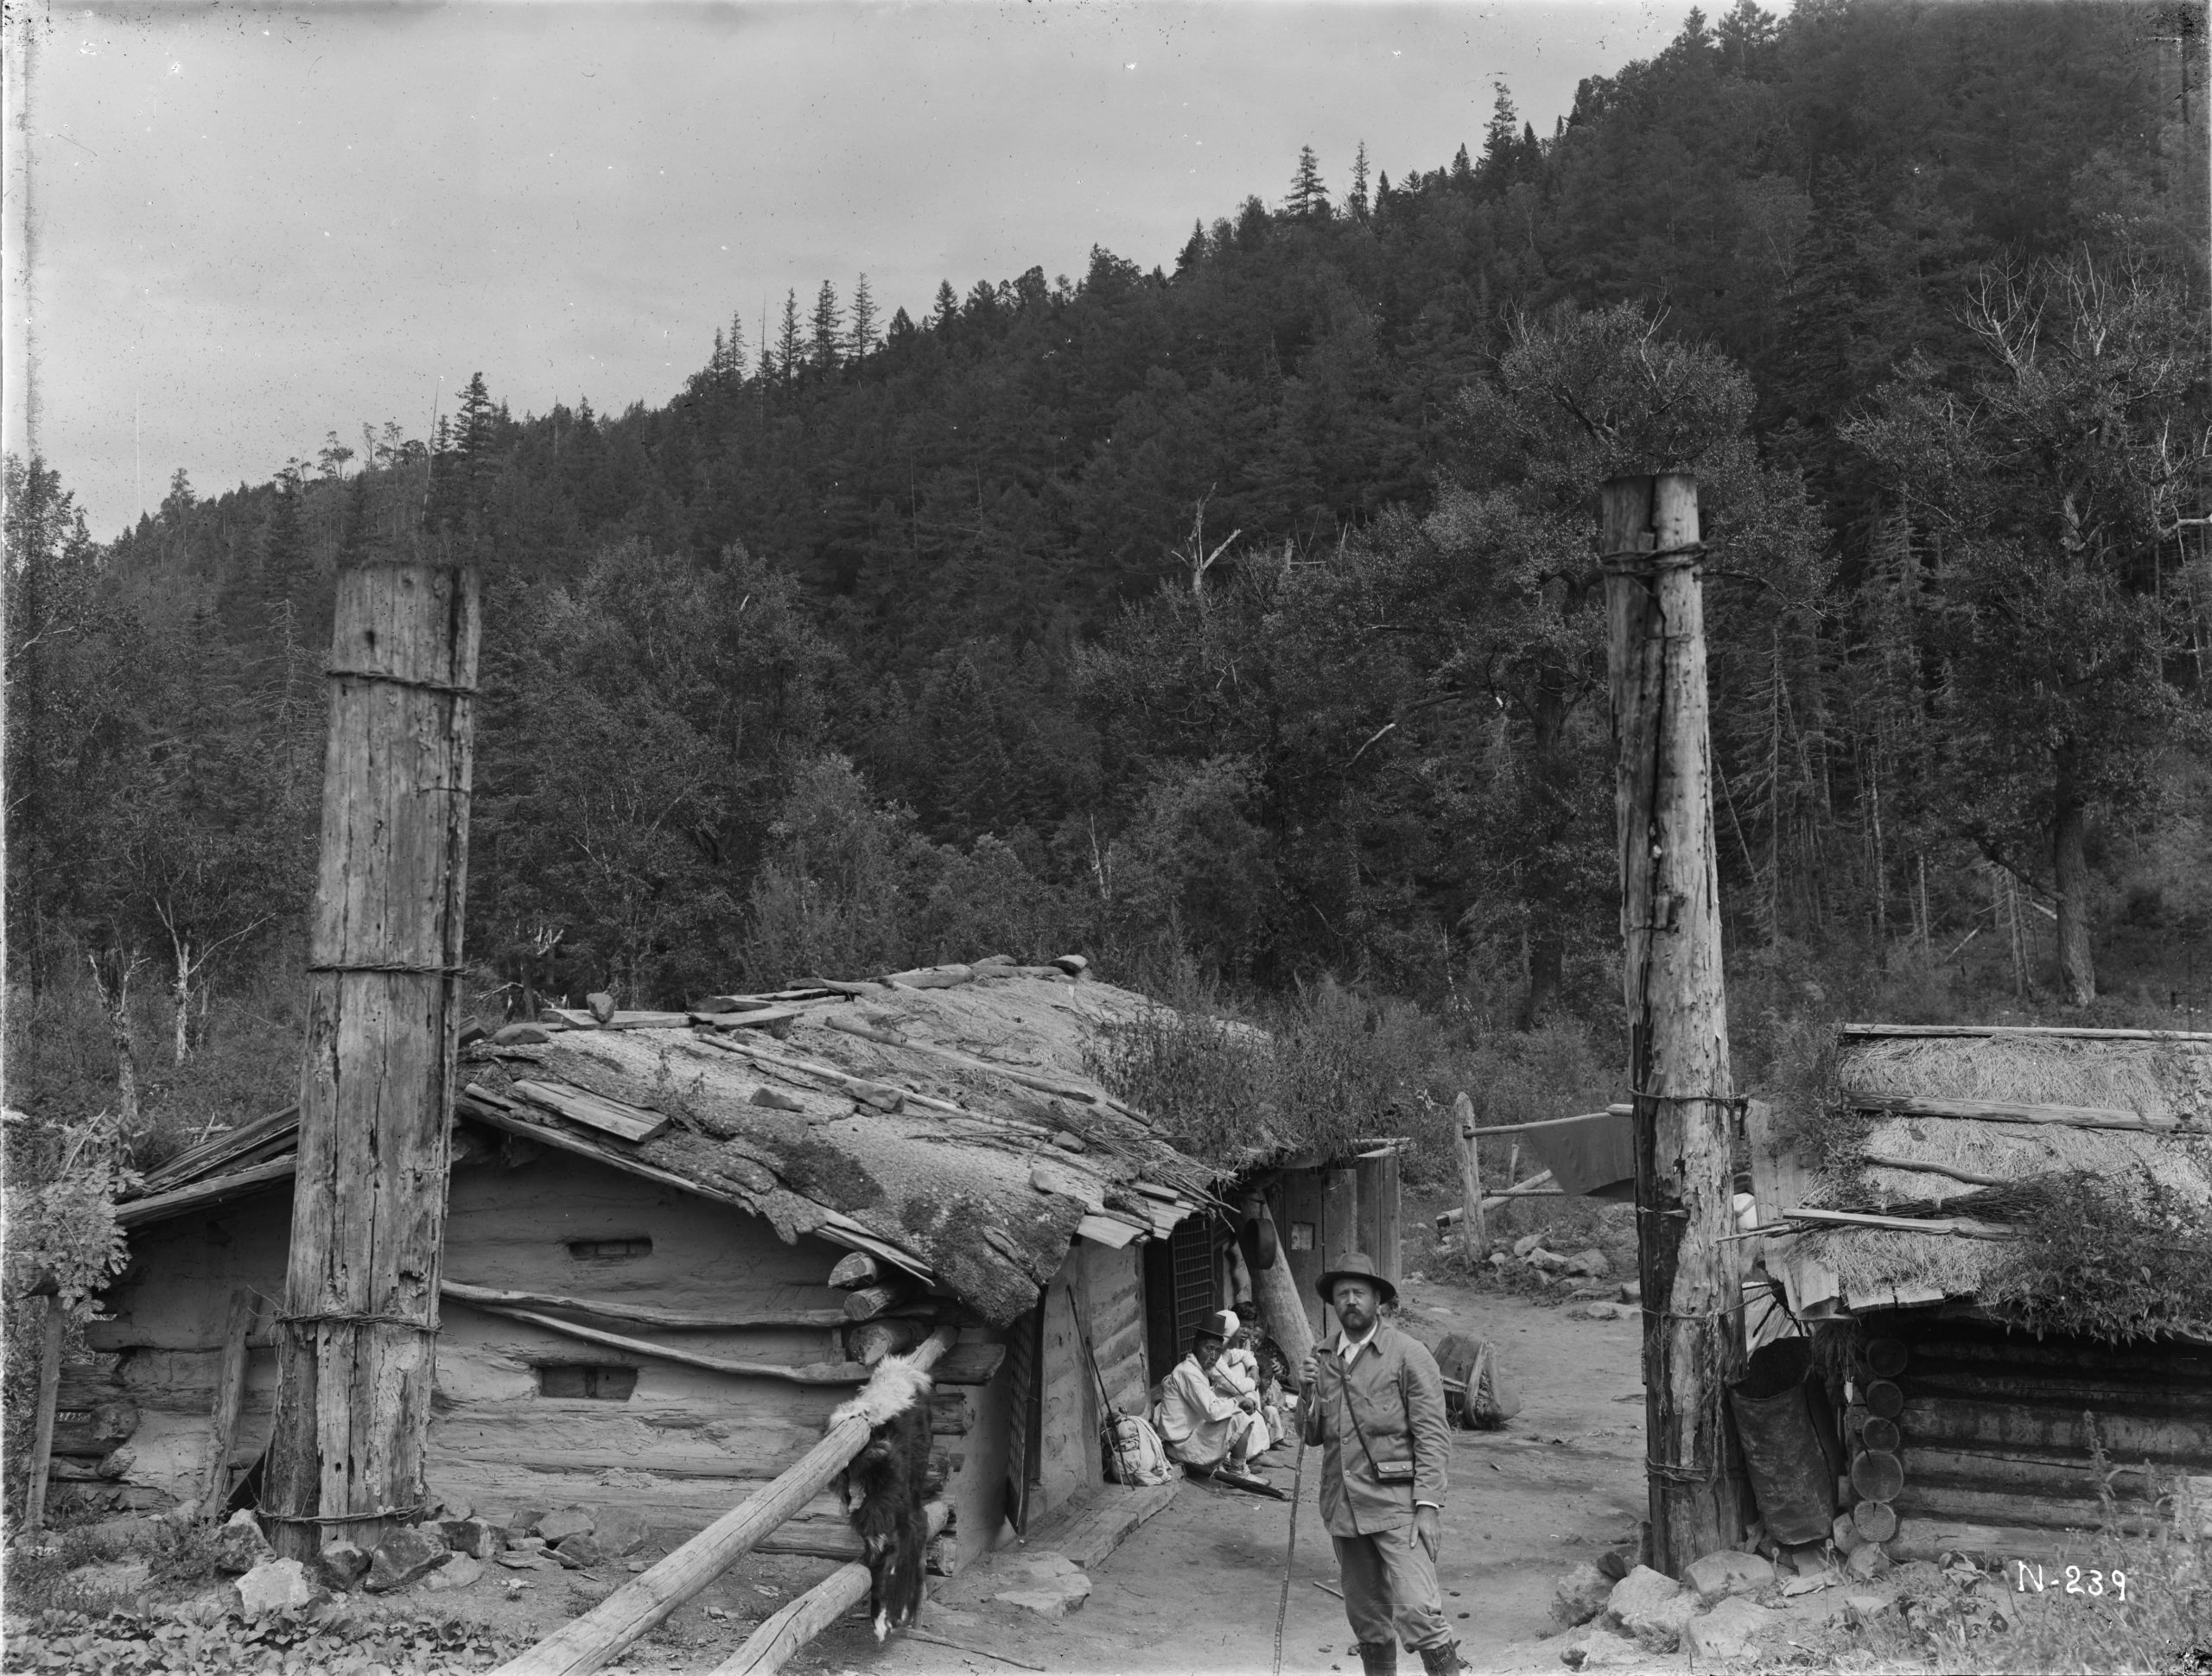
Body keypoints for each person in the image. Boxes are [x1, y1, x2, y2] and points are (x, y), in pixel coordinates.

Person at [1298, 1254, 1462, 1676]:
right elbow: (1311, 1435)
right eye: (1342, 1294)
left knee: (1419, 1611)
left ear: (1378, 1301)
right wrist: (1305, 1392)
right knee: (1368, 1620)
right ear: (1333, 1303)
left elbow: (1433, 1435)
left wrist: (1428, 1506)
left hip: (1397, 1506)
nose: (1350, 1301)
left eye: (1359, 1293)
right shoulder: (1322, 1357)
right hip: (1344, 1507)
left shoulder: (1408, 1354)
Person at [1155, 1308, 1268, 1477]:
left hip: (1191, 1435)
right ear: (1196, 1347)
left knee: (1233, 1410)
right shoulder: (1188, 1372)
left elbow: (1243, 1355)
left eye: (1217, 1350)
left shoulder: (1199, 1369)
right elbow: (1211, 1412)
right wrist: (1238, 1400)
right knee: (1238, 1418)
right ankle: (1239, 1471)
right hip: (1180, 1445)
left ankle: (1235, 1464)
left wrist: (1252, 1372)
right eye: (1208, 1348)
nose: (1213, 1356)